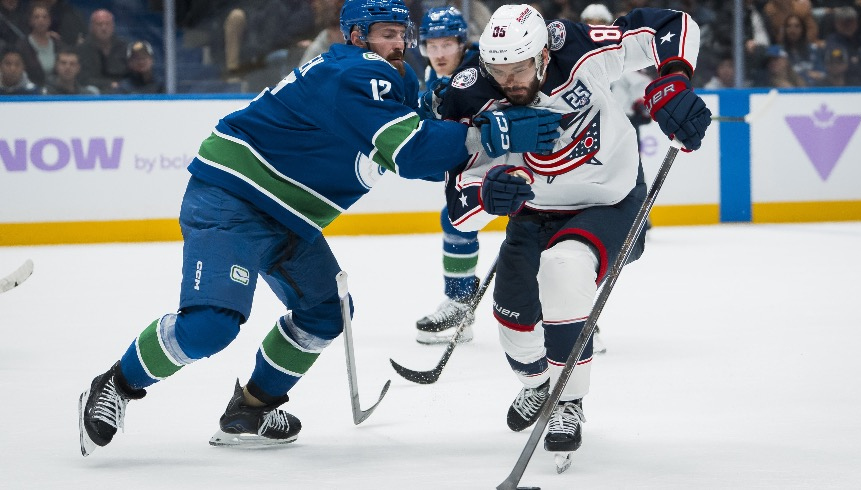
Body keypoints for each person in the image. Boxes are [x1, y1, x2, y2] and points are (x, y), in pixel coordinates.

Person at [76, 0, 559, 457]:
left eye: (401, 34)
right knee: (210, 324)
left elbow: (428, 156)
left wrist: (473, 140)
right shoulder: (357, 72)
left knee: (327, 312)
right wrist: (493, 134)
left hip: (288, 215)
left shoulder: (395, 77)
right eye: (386, 35)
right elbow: (411, 153)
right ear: (354, 36)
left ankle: (251, 409)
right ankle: (115, 384)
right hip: (233, 198)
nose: (398, 44)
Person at [439, 4, 711, 466]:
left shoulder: (578, 47)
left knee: (564, 267)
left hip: (609, 198)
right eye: (499, 71)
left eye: (520, 68)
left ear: (544, 55)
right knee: (512, 321)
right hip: (535, 209)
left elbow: (671, 24)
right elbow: (458, 208)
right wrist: (485, 191)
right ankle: (538, 388)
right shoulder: (469, 94)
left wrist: (676, 78)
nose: (511, 82)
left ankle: (569, 403)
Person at [413, 6, 484, 345]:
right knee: (456, 219)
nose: (439, 54)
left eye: (446, 45)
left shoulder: (483, 68)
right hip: (473, 167)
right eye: (432, 46)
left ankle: (572, 322)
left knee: (539, 238)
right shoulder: (430, 76)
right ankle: (460, 306)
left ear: (461, 43)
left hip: (520, 162)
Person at [75, 9, 128, 93]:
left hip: (122, 92)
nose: (104, 28)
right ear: (91, 27)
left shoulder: (124, 47)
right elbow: (82, 78)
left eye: (107, 24)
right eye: (99, 24)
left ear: (113, 26)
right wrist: (109, 84)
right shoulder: (82, 49)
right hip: (92, 93)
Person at [15, 3, 62, 88]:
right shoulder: (22, 46)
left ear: (50, 20)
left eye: (45, 17)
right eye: (36, 17)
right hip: (31, 91)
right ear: (30, 21)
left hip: (56, 90)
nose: (41, 20)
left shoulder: (58, 43)